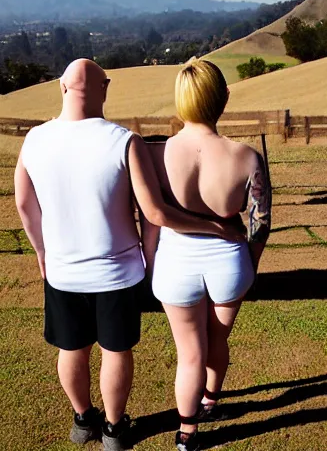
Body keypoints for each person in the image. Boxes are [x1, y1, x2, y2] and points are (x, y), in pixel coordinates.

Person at [14, 59, 240, 451]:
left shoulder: (34, 139)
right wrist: (213, 228)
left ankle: (83, 418)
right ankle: (115, 430)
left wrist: (41, 251)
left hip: (63, 271)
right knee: (116, 351)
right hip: (118, 272)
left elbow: (23, 203)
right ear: (105, 88)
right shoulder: (124, 141)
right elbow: (154, 214)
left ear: (62, 88)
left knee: (72, 349)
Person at [143, 58, 271, 451]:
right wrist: (250, 263)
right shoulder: (247, 156)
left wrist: (150, 263)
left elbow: (151, 221)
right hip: (229, 263)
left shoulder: (155, 155)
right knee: (218, 340)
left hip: (175, 263)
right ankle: (211, 400)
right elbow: (260, 222)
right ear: (224, 98)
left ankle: (187, 433)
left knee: (189, 353)